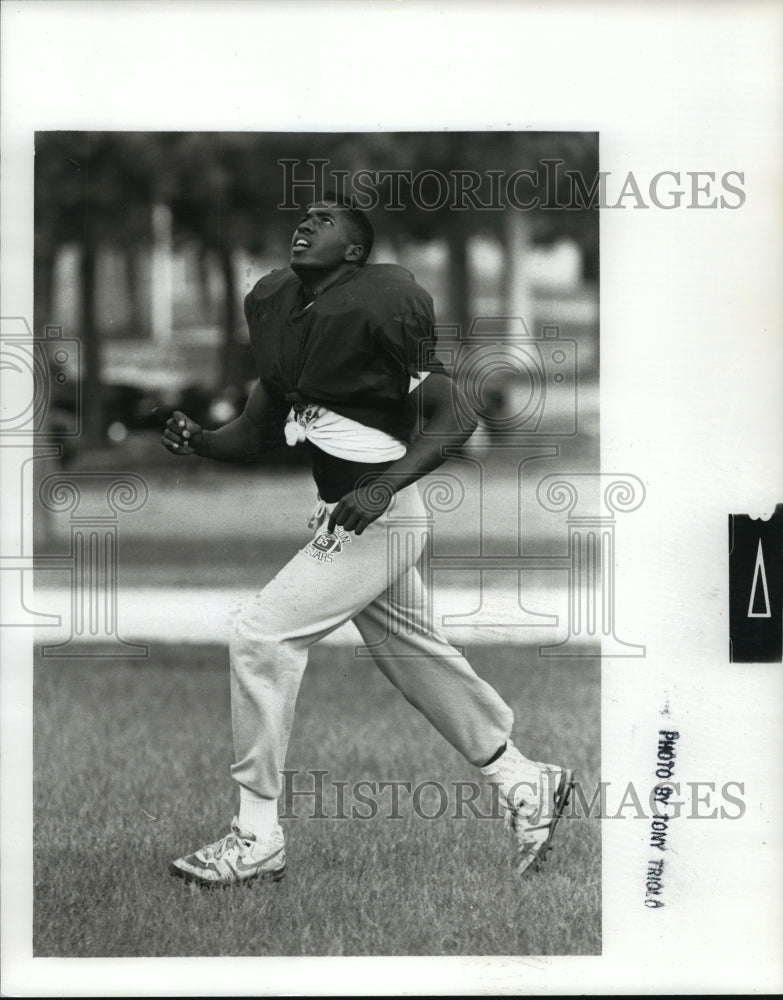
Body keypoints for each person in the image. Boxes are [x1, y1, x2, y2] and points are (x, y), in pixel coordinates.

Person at [161, 197, 573, 887]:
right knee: (415, 658)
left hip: (381, 515)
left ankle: (256, 836)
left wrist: (381, 488)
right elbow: (261, 426)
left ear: (354, 251)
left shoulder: (382, 302)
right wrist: (201, 441)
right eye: (302, 215)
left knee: (260, 638)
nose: (305, 222)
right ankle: (524, 781)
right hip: (345, 515)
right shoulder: (278, 306)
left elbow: (455, 413)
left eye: (325, 220)